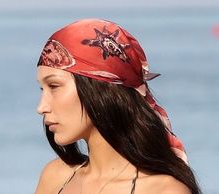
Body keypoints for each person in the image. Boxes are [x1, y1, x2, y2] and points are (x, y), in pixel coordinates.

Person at [35, 18, 201, 194]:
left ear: (99, 87)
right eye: (42, 89)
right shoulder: (55, 177)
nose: (41, 107)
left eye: (54, 86)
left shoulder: (163, 190)